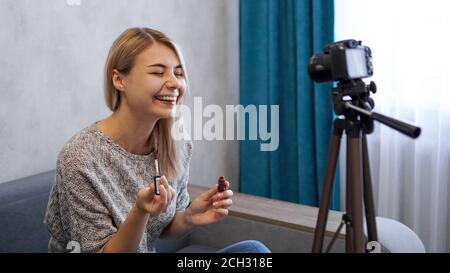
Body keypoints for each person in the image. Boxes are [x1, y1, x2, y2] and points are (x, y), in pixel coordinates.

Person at [43, 27, 270, 253]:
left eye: (178, 73)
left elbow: (163, 228)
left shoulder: (176, 144)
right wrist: (140, 212)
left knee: (253, 251)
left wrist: (189, 217)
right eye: (158, 72)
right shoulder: (80, 157)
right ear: (119, 80)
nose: (174, 83)